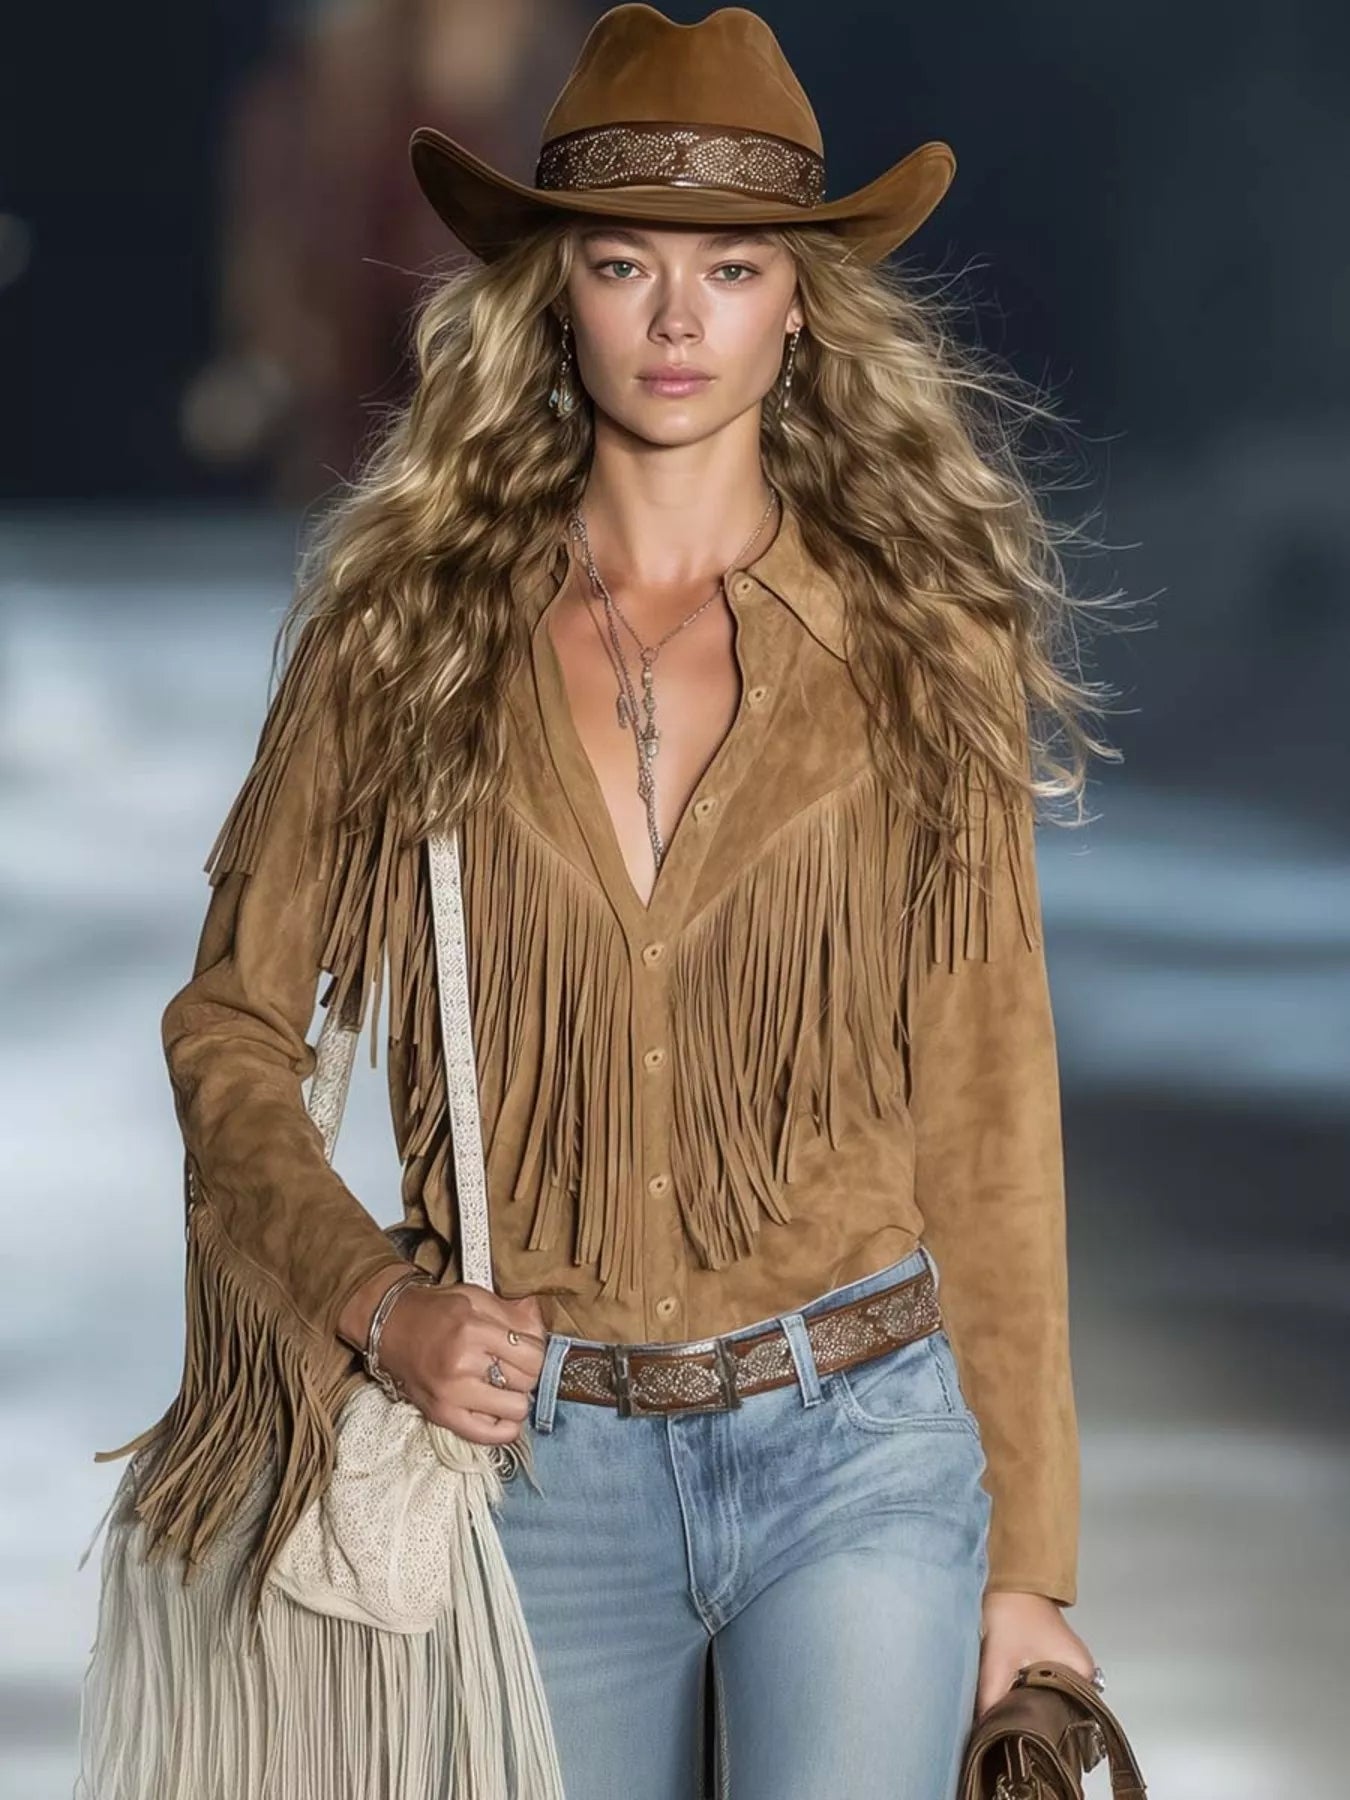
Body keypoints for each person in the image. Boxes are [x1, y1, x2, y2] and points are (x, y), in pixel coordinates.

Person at [104, 6, 1118, 1797]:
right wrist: (374, 1305)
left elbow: (988, 1107)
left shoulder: (915, 646)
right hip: (537, 1465)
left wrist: (1026, 1566)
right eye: (623, 264)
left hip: (859, 1446)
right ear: (549, 288)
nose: (672, 321)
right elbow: (231, 1035)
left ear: (797, 301)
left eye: (729, 268)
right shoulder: (402, 639)